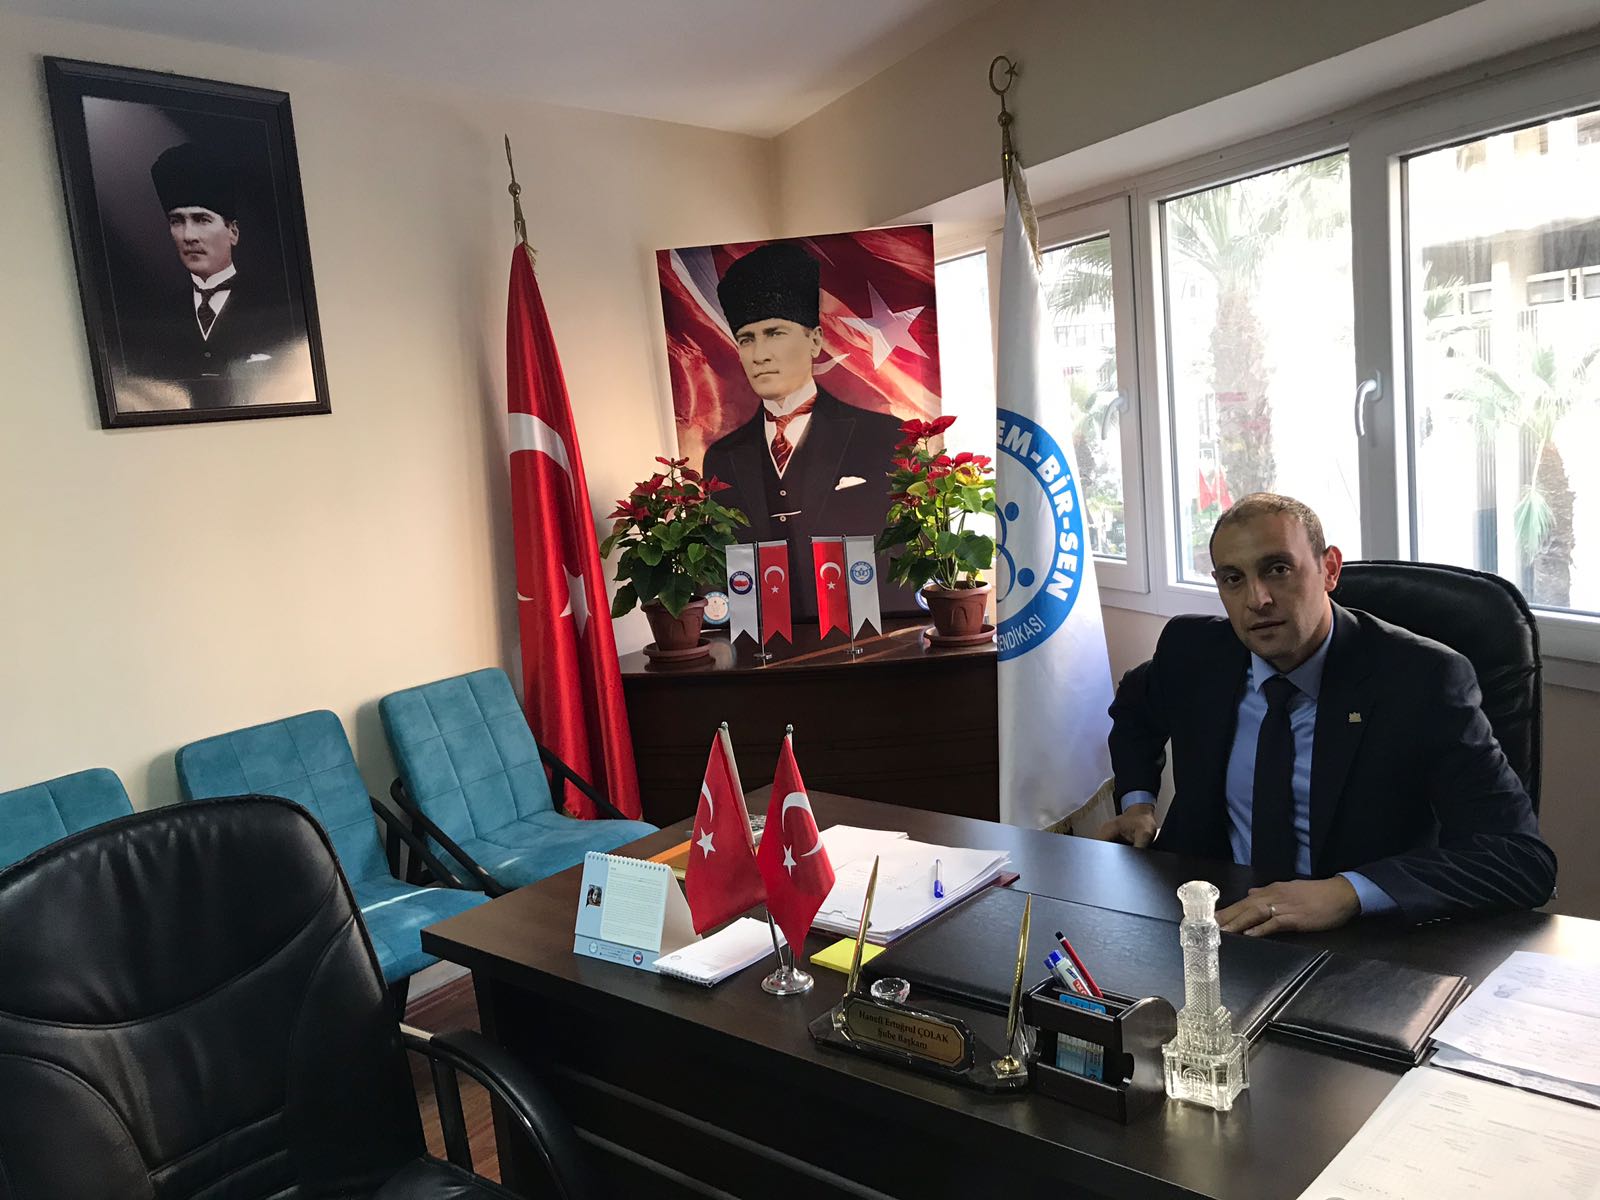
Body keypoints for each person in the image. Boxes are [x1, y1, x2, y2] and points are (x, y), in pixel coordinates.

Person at [1097, 492, 1555, 932]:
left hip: (1356, 940)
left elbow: (1519, 858)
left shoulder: (1423, 680)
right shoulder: (1194, 652)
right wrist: (1138, 803)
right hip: (1211, 922)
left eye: (1277, 569)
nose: (1257, 599)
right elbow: (1135, 711)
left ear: (1329, 569)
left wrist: (1350, 892)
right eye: (1233, 579)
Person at [701, 241, 908, 622]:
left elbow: (906, 555)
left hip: (866, 632)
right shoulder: (721, 457)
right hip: (761, 640)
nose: (759, 354)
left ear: (814, 340)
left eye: (774, 333)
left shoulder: (883, 435)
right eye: (746, 339)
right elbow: (718, 564)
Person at [126, 142, 295, 408]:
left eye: (202, 219)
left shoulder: (274, 307)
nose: (188, 236)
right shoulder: (159, 316)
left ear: (233, 232)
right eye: (177, 221)